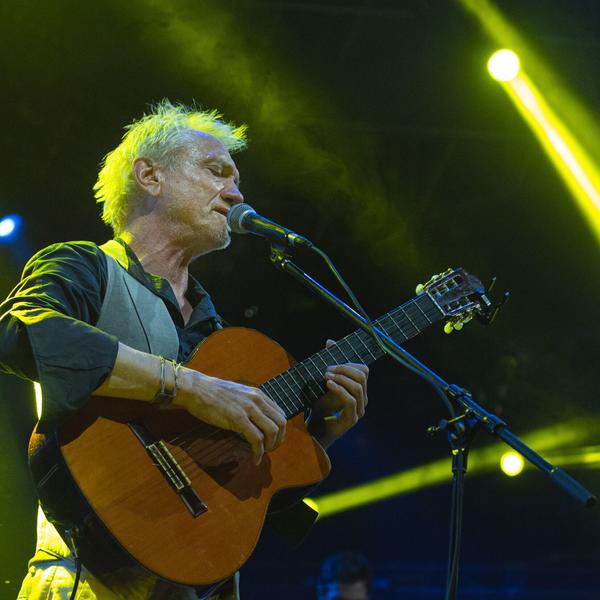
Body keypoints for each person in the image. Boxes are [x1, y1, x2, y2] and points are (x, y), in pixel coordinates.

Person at [0, 100, 369, 599]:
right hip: (87, 579)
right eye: (217, 171)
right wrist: (190, 387)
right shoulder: (84, 267)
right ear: (150, 176)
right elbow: (22, 333)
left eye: (236, 179)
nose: (236, 192)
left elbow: (238, 488)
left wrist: (318, 433)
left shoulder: (214, 328)